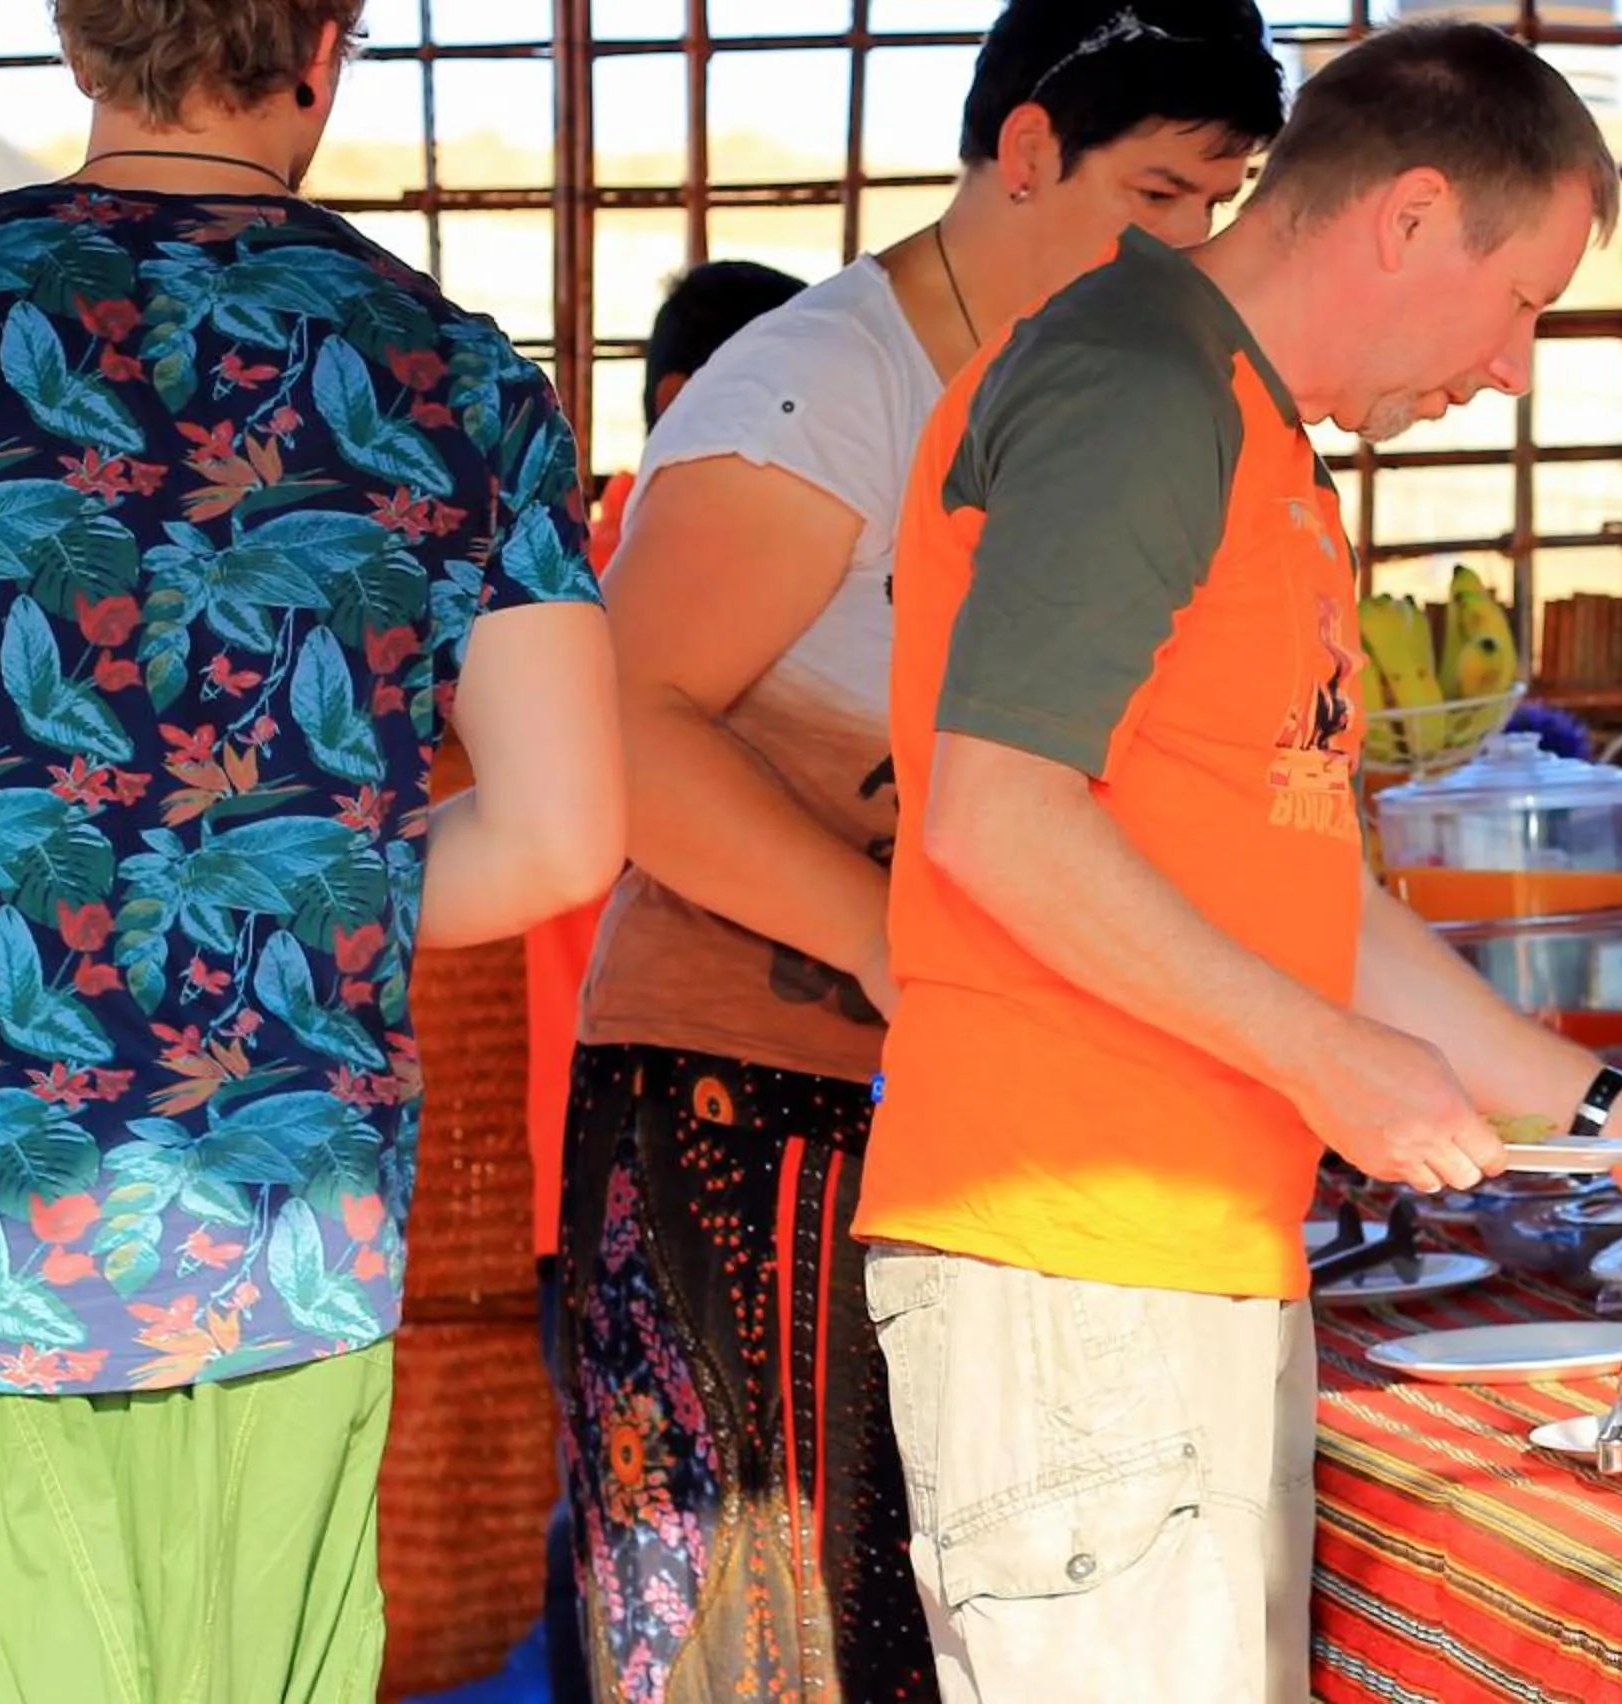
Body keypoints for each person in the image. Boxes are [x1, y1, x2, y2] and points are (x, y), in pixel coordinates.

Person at [858, 19, 1622, 1703]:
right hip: (1076, 1255)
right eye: (1523, 300)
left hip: (1177, 1258)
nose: (1514, 368)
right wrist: (1322, 1060)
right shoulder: (1141, 386)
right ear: (1411, 214)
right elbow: (994, 808)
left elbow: (1316, 907)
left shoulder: (1252, 434)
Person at [0, 2, 624, 1697]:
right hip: (285, 1236)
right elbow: (567, 836)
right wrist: (299, 883)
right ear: (324, 49)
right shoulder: (447, 370)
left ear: (79, 47)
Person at [550, 4, 1286, 1699]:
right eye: (1163, 196)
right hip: (747, 1102)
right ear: (1027, 150)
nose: (1189, 250)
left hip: (976, 1109)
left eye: (1217, 210)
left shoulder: (1107, 403)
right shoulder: (822, 388)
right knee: (760, 1635)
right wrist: (898, 941)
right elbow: (622, 727)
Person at [523, 256, 805, 1704]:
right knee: (640, 1522)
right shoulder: (642, 583)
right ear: (703, 403)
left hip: (568, 1135)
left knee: (627, 1512)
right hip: (611, 1119)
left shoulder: (588, 571)